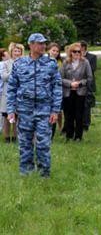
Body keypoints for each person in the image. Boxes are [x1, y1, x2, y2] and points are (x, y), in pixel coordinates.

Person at [6, 33, 62, 177]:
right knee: (25, 143)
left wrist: (55, 110)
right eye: (39, 43)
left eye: (44, 43)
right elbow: (12, 88)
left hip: (44, 110)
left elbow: (57, 87)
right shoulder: (19, 64)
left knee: (43, 144)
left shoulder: (51, 64)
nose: (43, 46)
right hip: (24, 110)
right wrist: (11, 109)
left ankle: (44, 173)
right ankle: (26, 172)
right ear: (31, 45)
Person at [60, 43, 93, 142]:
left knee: (79, 115)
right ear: (70, 52)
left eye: (79, 51)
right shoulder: (65, 62)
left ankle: (78, 136)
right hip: (68, 92)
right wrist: (70, 84)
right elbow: (60, 78)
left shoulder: (85, 62)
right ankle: (69, 136)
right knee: (68, 115)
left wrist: (80, 83)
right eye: (75, 51)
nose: (77, 53)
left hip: (80, 92)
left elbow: (90, 78)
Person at [1, 42, 25, 143]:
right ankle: (7, 138)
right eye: (15, 51)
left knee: (17, 117)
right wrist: (14, 70)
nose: (17, 53)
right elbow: (4, 77)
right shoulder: (5, 63)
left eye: (19, 51)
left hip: (20, 94)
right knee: (7, 117)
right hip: (7, 94)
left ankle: (15, 137)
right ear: (11, 52)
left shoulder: (24, 63)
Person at [80, 41, 98, 132]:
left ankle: (86, 124)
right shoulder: (76, 56)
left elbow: (92, 69)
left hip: (88, 84)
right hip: (78, 84)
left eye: (82, 47)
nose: (81, 49)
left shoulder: (92, 57)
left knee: (87, 105)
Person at [48, 42, 64, 137]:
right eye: (53, 50)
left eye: (57, 51)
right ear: (48, 50)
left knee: (55, 111)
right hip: (46, 90)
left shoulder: (60, 62)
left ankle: (52, 134)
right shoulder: (43, 61)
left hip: (57, 89)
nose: (55, 52)